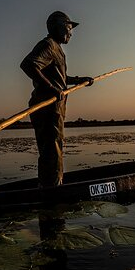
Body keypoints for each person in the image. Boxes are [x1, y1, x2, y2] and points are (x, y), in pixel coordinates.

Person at [20, 10, 94, 188]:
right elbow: (28, 65)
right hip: (47, 107)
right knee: (52, 147)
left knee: (54, 146)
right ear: (58, 27)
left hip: (55, 107)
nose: (71, 32)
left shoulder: (57, 49)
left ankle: (51, 184)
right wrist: (52, 88)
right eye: (69, 28)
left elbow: (60, 78)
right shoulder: (48, 45)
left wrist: (79, 80)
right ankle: (52, 188)